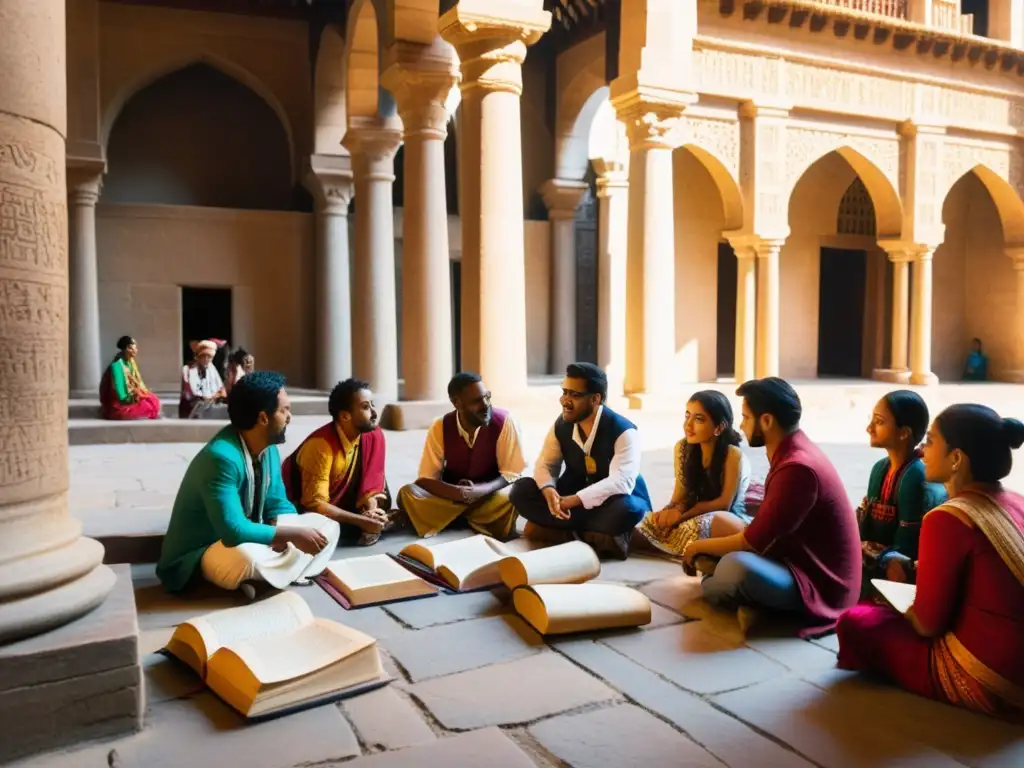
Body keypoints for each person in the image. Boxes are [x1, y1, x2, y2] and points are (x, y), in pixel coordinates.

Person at [837, 405, 1024, 722]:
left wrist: (906, 604)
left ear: (956, 458)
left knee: (856, 621)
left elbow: (928, 624)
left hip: (991, 677)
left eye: (932, 441)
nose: (922, 449)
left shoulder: (946, 518)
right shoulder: (1016, 501)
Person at [683, 377, 861, 636]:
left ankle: (739, 593)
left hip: (820, 586)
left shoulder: (797, 467)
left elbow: (752, 543)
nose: (741, 425)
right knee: (722, 529)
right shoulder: (792, 451)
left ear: (766, 421)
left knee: (734, 568)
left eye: (745, 417)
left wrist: (696, 547)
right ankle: (748, 597)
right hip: (792, 560)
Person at [157, 372, 340, 594]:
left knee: (327, 528)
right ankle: (276, 573)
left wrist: (282, 529)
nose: (289, 417)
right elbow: (234, 531)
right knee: (246, 557)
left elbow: (278, 502)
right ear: (263, 418)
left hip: (254, 537)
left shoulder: (268, 447)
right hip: (206, 550)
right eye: (284, 410)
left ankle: (264, 579)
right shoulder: (220, 458)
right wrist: (290, 535)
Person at [510, 362, 651, 559]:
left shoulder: (624, 431)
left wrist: (574, 501)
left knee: (628, 510)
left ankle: (555, 531)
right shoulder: (561, 424)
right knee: (521, 491)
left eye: (574, 395)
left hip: (612, 501)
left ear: (595, 399)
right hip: (573, 501)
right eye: (564, 392)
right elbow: (546, 464)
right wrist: (549, 490)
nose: (565, 401)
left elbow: (621, 482)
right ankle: (597, 538)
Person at [397, 372, 527, 540]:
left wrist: (479, 491)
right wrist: (459, 493)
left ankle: (449, 519)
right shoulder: (440, 426)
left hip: (489, 496)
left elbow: (512, 474)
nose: (486, 404)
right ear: (457, 403)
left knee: (514, 494)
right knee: (408, 493)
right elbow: (425, 479)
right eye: (477, 401)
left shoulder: (504, 421)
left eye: (487, 397)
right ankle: (475, 520)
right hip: (451, 496)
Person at [636, 390, 752, 558]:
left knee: (706, 524)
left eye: (698, 419)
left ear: (718, 427)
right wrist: (666, 514)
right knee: (644, 522)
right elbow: (679, 496)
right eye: (687, 416)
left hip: (726, 519)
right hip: (692, 514)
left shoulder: (732, 455)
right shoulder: (682, 448)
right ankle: (696, 550)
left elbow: (724, 504)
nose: (688, 425)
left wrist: (681, 517)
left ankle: (695, 549)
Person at [281, 378, 395, 547]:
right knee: (318, 528)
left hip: (349, 506)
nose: (374, 412)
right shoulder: (321, 446)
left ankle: (367, 522)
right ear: (344, 416)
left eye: (372, 405)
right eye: (365, 407)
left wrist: (371, 509)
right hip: (306, 510)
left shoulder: (372, 435)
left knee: (385, 500)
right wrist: (362, 521)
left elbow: (372, 481)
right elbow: (315, 505)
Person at [859, 390, 947, 585]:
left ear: (904, 433)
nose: (869, 428)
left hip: (900, 579)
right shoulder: (880, 468)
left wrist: (865, 549)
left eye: (879, 422)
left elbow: (905, 550)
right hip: (876, 566)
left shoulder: (916, 477)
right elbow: (867, 529)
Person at [99, 335, 162, 420]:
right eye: (133, 347)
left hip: (132, 395)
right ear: (127, 348)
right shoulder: (117, 366)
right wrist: (133, 397)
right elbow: (120, 393)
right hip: (121, 402)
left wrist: (142, 393)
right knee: (148, 407)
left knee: (154, 401)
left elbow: (138, 382)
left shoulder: (130, 362)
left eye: (136, 348)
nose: (136, 350)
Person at [179, 339, 227, 419]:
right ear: (198, 356)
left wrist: (216, 395)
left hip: (207, 409)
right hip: (191, 411)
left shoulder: (212, 369)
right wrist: (213, 396)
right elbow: (193, 392)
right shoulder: (188, 370)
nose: (206, 359)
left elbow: (222, 391)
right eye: (203, 356)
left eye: (209, 357)